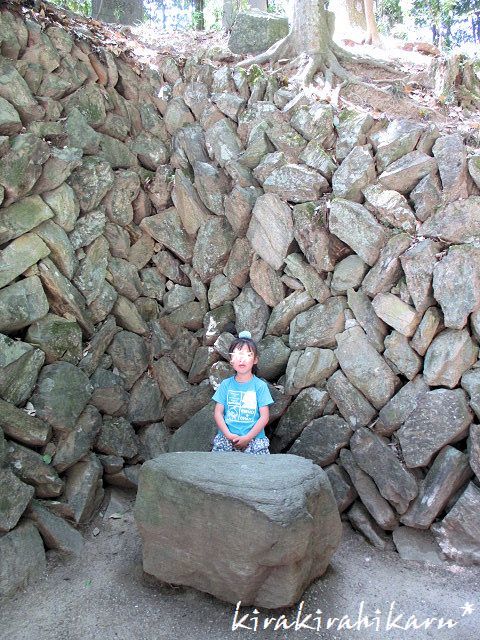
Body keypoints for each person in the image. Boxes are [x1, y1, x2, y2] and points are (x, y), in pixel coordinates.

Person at [211, 331, 274, 455]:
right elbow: (218, 413)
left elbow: (264, 416)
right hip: (227, 438)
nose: (242, 359)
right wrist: (228, 435)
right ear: (231, 360)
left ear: (255, 360)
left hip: (254, 439)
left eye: (248, 355)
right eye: (238, 355)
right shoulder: (226, 385)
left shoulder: (260, 386)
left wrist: (248, 437)